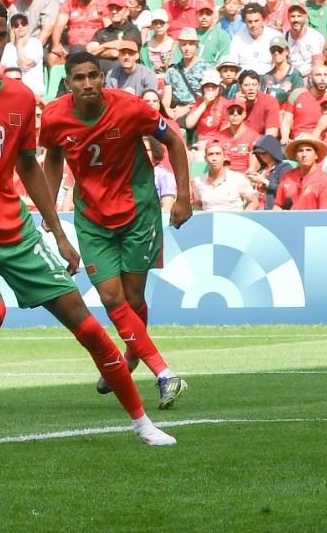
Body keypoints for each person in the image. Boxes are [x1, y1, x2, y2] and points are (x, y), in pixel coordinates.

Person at [0, 0, 175, 452]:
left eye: (0, 36)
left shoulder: (22, 98)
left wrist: (58, 233)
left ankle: (142, 422)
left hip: (17, 231)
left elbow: (29, 167)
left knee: (86, 325)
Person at [40, 52, 194, 408]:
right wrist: (48, 204)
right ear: (68, 84)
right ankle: (165, 373)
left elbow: (173, 140)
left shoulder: (130, 107)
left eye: (94, 75)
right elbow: (53, 157)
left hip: (138, 213)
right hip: (92, 219)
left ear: (103, 78)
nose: (88, 83)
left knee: (133, 299)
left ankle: (131, 355)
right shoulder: (54, 117)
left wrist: (183, 197)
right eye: (80, 78)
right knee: (111, 299)